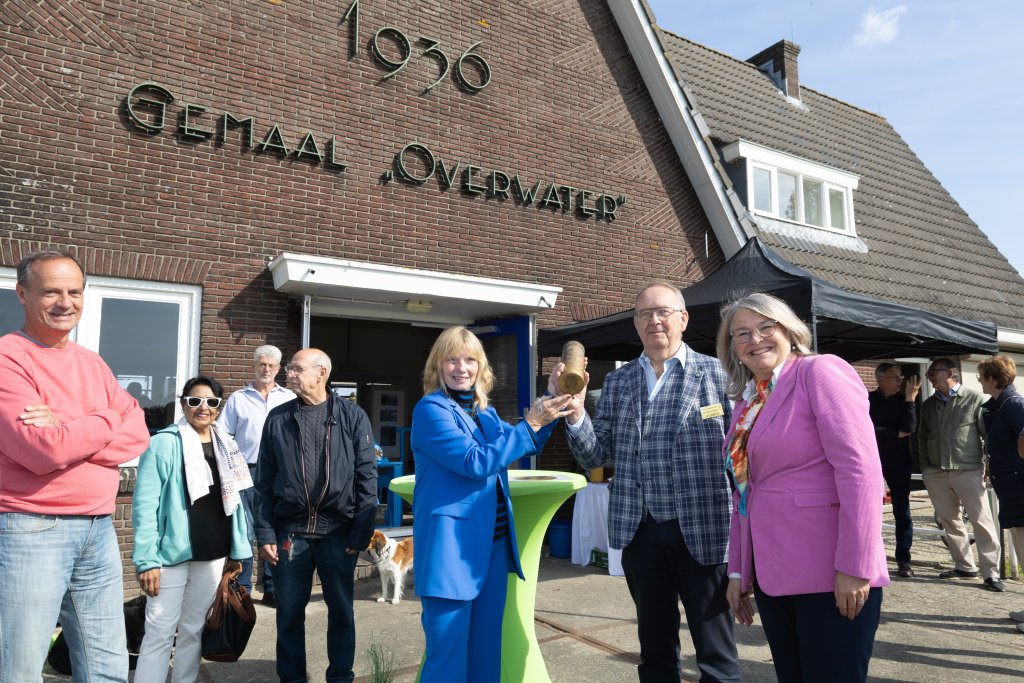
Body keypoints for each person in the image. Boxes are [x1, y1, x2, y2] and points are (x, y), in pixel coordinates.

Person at [565, 280, 740, 683]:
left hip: (703, 532)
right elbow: (595, 455)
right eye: (645, 313)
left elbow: (742, 460)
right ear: (636, 324)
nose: (654, 320)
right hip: (640, 532)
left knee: (716, 653)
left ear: (683, 318)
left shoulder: (719, 375)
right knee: (656, 650)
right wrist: (576, 415)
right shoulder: (618, 381)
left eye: (663, 311)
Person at [717, 292, 889, 682]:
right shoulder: (749, 403)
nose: (754, 339)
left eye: (765, 327)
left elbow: (860, 469)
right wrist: (739, 572)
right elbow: (745, 491)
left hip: (831, 573)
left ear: (790, 331)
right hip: (774, 578)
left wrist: (855, 566)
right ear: (732, 349)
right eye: (741, 334)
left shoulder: (820, 371)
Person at [0, 249, 150, 682]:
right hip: (31, 527)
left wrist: (67, 425)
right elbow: (40, 450)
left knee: (107, 665)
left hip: (98, 526)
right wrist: (106, 420)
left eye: (75, 291)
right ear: (23, 293)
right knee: (20, 667)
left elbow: (138, 432)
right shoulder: (9, 358)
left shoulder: (91, 363)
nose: (66, 302)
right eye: (51, 292)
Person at [411, 326, 571, 683]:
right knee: (447, 662)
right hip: (451, 554)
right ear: (437, 365)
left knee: (487, 656)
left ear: (481, 367)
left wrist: (551, 396)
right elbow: (476, 462)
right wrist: (532, 421)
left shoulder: (484, 413)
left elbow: (523, 442)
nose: (461, 367)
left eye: (470, 360)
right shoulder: (430, 411)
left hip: (492, 550)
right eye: (452, 359)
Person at [255, 348, 377, 683]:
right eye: (289, 368)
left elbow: (367, 476)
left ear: (321, 373)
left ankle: (340, 677)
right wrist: (265, 533)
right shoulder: (278, 418)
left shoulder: (353, 416)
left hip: (338, 534)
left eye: (295, 368)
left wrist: (360, 533)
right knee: (289, 614)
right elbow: (264, 480)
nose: (288, 374)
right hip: (290, 533)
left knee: (341, 612)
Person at [132, 375, 253, 682]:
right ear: (183, 403)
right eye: (195, 400)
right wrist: (146, 560)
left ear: (218, 407)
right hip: (170, 556)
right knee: (159, 631)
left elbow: (235, 504)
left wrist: (237, 550)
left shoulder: (226, 444)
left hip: (212, 554)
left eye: (211, 402)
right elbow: (145, 507)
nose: (203, 407)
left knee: (193, 630)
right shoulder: (163, 443)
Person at [218, 344, 295, 604]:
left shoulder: (288, 398)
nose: (267, 369)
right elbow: (223, 435)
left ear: (279, 369)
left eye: (272, 365)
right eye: (262, 364)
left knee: (275, 529)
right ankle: (244, 591)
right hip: (245, 471)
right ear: (254, 366)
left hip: (279, 473)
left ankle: (273, 589)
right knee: (245, 532)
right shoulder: (239, 398)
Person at [919, 358, 1004, 591]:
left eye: (933, 372)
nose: (929, 376)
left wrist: (988, 464)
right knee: (950, 520)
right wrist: (926, 468)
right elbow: (922, 438)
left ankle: (991, 573)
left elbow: (987, 435)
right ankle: (965, 567)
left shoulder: (975, 399)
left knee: (981, 521)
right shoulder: (927, 405)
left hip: (968, 470)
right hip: (936, 472)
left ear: (949, 373)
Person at [976, 356, 1024, 618]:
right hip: (1011, 490)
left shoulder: (1014, 404)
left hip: (1019, 489)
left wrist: (1018, 462)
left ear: (993, 379)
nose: (980, 381)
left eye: (981, 376)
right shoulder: (998, 407)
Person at [868, 363, 921, 578]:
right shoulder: (867, 399)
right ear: (880, 379)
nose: (900, 381)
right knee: (867, 509)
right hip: (871, 458)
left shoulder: (904, 400)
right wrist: (892, 433)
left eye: (900, 377)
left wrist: (910, 401)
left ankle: (903, 559)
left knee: (902, 509)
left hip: (899, 460)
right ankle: (870, 556)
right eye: (895, 377)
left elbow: (908, 429)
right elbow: (866, 429)